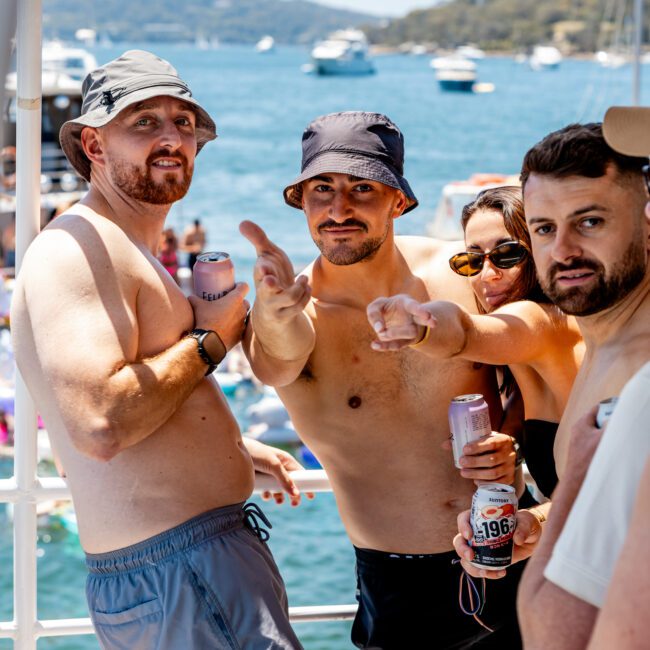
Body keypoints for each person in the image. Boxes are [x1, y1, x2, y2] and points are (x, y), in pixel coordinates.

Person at [11, 50, 302, 650]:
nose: (172, 137)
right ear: (93, 146)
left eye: (184, 123)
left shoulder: (124, 248)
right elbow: (98, 423)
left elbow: (110, 396)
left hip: (191, 566)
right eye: (144, 122)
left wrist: (231, 446)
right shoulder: (77, 249)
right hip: (182, 571)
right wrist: (212, 337)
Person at [241, 111, 523, 649]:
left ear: (398, 200)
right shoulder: (296, 312)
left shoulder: (460, 273)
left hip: (514, 546)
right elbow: (273, 362)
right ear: (300, 199)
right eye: (321, 188)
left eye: (362, 188)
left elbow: (535, 357)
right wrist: (274, 313)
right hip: (402, 589)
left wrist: (513, 433)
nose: (338, 208)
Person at [515, 112, 650, 649]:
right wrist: (544, 521)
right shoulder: (600, 338)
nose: (563, 249)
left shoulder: (642, 373)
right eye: (545, 229)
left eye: (589, 221)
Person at [368, 185, 584, 502]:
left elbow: (466, 331)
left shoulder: (541, 321)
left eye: (507, 254)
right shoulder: (527, 352)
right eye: (473, 260)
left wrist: (421, 326)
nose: (487, 274)